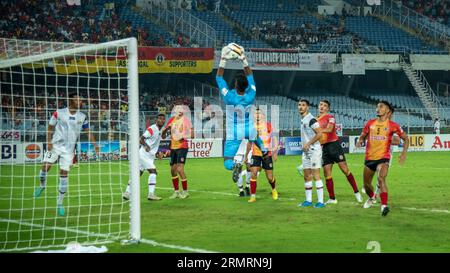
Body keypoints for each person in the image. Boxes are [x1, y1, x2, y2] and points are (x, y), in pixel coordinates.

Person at [34, 93, 99, 216]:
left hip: (69, 151)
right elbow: (49, 127)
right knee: (45, 167)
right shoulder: (59, 112)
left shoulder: (83, 116)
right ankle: (42, 186)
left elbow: (88, 131)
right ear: (71, 100)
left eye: (81, 100)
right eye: (77, 99)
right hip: (55, 145)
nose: (80, 102)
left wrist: (95, 144)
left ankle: (60, 203)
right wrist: (48, 142)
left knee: (64, 174)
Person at [215, 43, 266, 182]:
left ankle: (235, 165)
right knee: (254, 137)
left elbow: (219, 78)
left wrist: (223, 59)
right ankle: (264, 149)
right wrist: (243, 59)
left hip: (234, 131)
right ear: (246, 86)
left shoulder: (230, 97)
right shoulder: (251, 94)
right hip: (248, 128)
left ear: (236, 85)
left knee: (227, 162)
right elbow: (250, 76)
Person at [356, 101, 409, 216]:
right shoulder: (370, 123)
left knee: (381, 179)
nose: (378, 108)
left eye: (381, 107)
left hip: (383, 158)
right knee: (366, 185)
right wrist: (360, 141)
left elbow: (405, 138)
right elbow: (362, 135)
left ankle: (384, 206)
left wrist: (404, 153)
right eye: (377, 106)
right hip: (369, 158)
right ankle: (372, 197)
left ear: (387, 111)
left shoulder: (393, 125)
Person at [316, 99, 362, 204]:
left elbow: (329, 129)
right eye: (320, 104)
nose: (322, 106)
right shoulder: (316, 119)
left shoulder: (330, 117)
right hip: (324, 148)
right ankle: (332, 198)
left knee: (345, 170)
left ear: (327, 108)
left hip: (334, 145)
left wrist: (316, 129)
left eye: (324, 105)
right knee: (327, 173)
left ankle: (356, 192)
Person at [122, 114, 166, 201]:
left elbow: (153, 144)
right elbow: (141, 139)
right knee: (153, 171)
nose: (162, 120)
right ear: (156, 120)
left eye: (163, 119)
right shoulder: (152, 128)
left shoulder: (160, 130)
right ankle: (151, 194)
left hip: (149, 156)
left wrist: (157, 153)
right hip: (144, 154)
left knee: (138, 174)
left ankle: (127, 192)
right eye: (160, 118)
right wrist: (145, 145)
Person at [162, 105, 194, 199]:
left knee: (180, 169)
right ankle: (176, 192)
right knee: (173, 170)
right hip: (173, 147)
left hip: (182, 147)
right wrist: (165, 130)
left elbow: (192, 135)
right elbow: (163, 136)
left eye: (181, 110)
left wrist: (183, 137)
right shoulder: (171, 120)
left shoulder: (186, 121)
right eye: (177, 109)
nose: (179, 111)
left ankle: (185, 191)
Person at [298, 99, 325, 208]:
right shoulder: (303, 119)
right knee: (306, 176)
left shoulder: (311, 119)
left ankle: (321, 202)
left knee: (316, 175)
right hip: (306, 151)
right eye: (299, 105)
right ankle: (308, 200)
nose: (300, 107)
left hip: (314, 150)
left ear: (307, 107)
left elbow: (320, 133)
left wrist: (308, 143)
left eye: (303, 105)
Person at [248, 109, 279, 203]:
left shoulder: (268, 125)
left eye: (259, 113)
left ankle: (274, 189)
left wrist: (275, 152)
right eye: (255, 113)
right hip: (255, 154)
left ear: (263, 115)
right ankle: (253, 196)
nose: (257, 115)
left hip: (267, 154)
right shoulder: (251, 127)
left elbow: (274, 138)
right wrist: (246, 156)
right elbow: (250, 142)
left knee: (270, 177)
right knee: (253, 174)